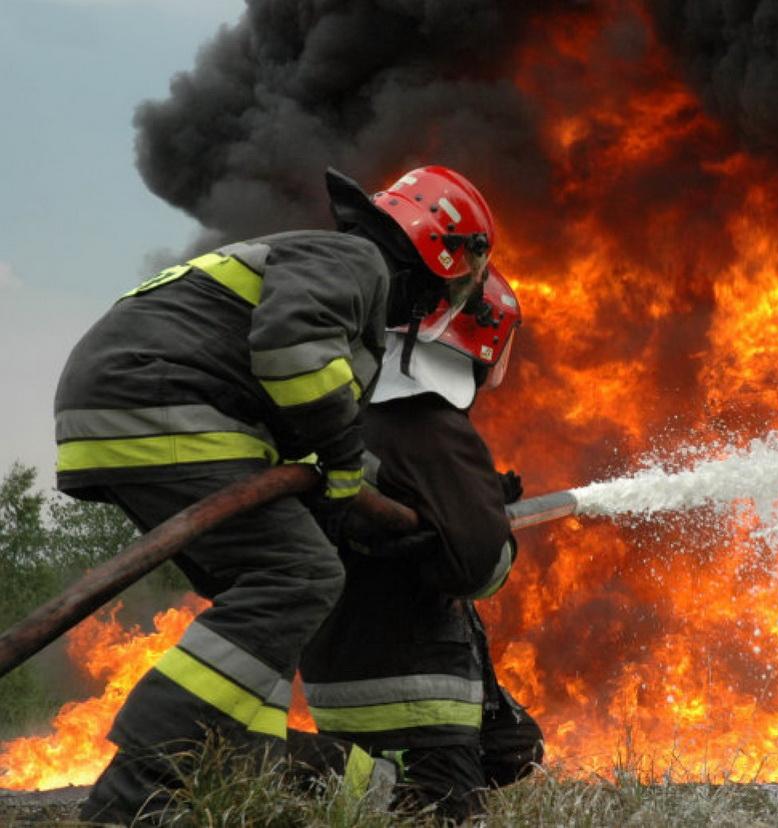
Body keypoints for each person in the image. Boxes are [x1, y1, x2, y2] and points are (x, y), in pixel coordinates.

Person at [54, 164, 498, 823]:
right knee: (298, 574)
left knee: (263, 602)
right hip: (163, 399)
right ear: (439, 250)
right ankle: (140, 784)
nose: (449, 296)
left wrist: (375, 501)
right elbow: (293, 354)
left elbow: (302, 432)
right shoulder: (356, 261)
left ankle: (230, 768)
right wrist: (348, 466)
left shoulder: (337, 275)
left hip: (131, 406)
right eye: (462, 278)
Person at [297, 263, 543, 820]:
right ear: (482, 342)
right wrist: (490, 525)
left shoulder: (350, 415)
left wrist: (470, 502)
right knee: (445, 814)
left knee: (515, 749)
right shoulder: (430, 424)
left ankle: (369, 789)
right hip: (413, 691)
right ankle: (359, 785)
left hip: (338, 676)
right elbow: (482, 568)